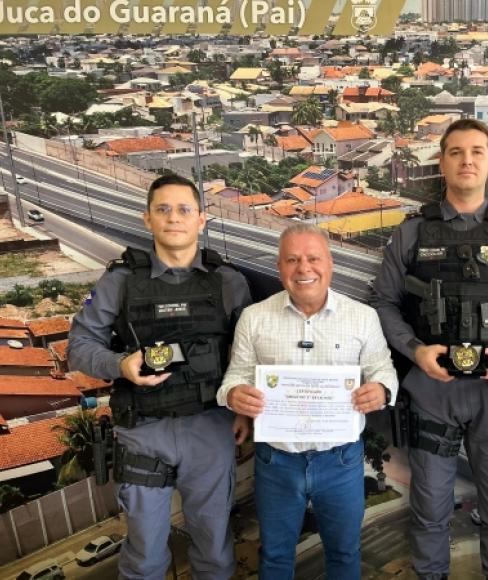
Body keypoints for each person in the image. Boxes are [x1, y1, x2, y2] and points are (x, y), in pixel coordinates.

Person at [371, 118, 488, 579]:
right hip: (432, 391)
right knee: (429, 511)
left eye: (477, 151)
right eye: (456, 152)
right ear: (442, 162)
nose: (467, 160)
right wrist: (415, 351)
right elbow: (384, 302)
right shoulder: (412, 233)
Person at [68, 173, 252, 580]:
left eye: (184, 209)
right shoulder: (119, 281)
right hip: (143, 432)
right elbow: (78, 346)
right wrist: (121, 365)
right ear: (147, 218)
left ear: (201, 220)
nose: (173, 218)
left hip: (210, 428)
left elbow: (248, 352)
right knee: (145, 557)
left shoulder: (229, 281)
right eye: (163, 209)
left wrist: (244, 410)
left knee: (215, 550)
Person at [218, 223, 398, 580]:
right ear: (279, 267)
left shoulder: (362, 317)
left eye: (313, 258)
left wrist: (381, 389)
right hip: (276, 462)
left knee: (344, 553)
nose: (304, 268)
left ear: (330, 264)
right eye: (292, 260)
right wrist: (235, 394)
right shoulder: (254, 318)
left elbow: (384, 370)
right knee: (275, 557)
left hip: (341, 461)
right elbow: (234, 377)